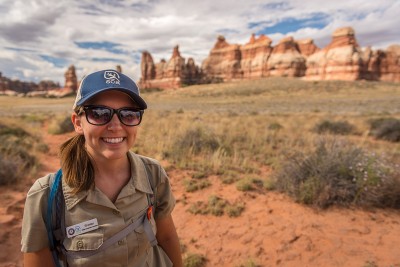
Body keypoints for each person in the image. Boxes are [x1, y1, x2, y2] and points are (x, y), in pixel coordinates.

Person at [21, 69, 183, 267]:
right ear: (77, 123)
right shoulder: (45, 196)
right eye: (99, 114)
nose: (115, 126)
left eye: (128, 114)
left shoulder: (153, 174)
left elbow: (166, 237)